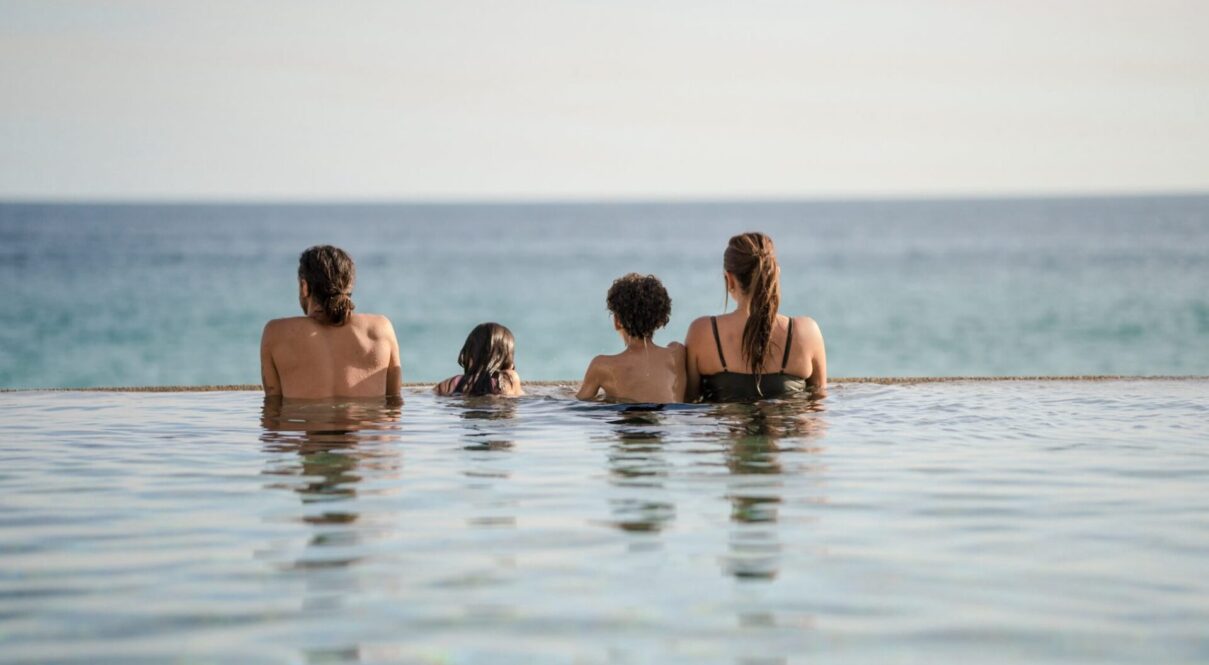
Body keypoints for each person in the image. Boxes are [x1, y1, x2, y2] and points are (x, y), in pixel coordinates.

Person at [684, 232, 826, 402]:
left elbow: (689, 402)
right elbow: (818, 409)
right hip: (786, 427)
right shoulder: (806, 332)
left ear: (729, 280)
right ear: (775, 274)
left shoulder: (702, 332)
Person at [260, 245, 402, 399]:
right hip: (365, 423)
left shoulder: (276, 333)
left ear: (304, 287)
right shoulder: (381, 328)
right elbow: (394, 404)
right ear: (348, 286)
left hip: (303, 422)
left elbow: (272, 410)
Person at [577, 273, 686, 403]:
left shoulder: (602, 366)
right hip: (667, 419)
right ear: (660, 319)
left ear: (617, 321)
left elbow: (580, 401)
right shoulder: (677, 353)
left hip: (627, 420)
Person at [434, 322, 524, 397]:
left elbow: (432, 394)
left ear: (469, 354)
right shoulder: (510, 379)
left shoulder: (454, 383)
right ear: (506, 357)